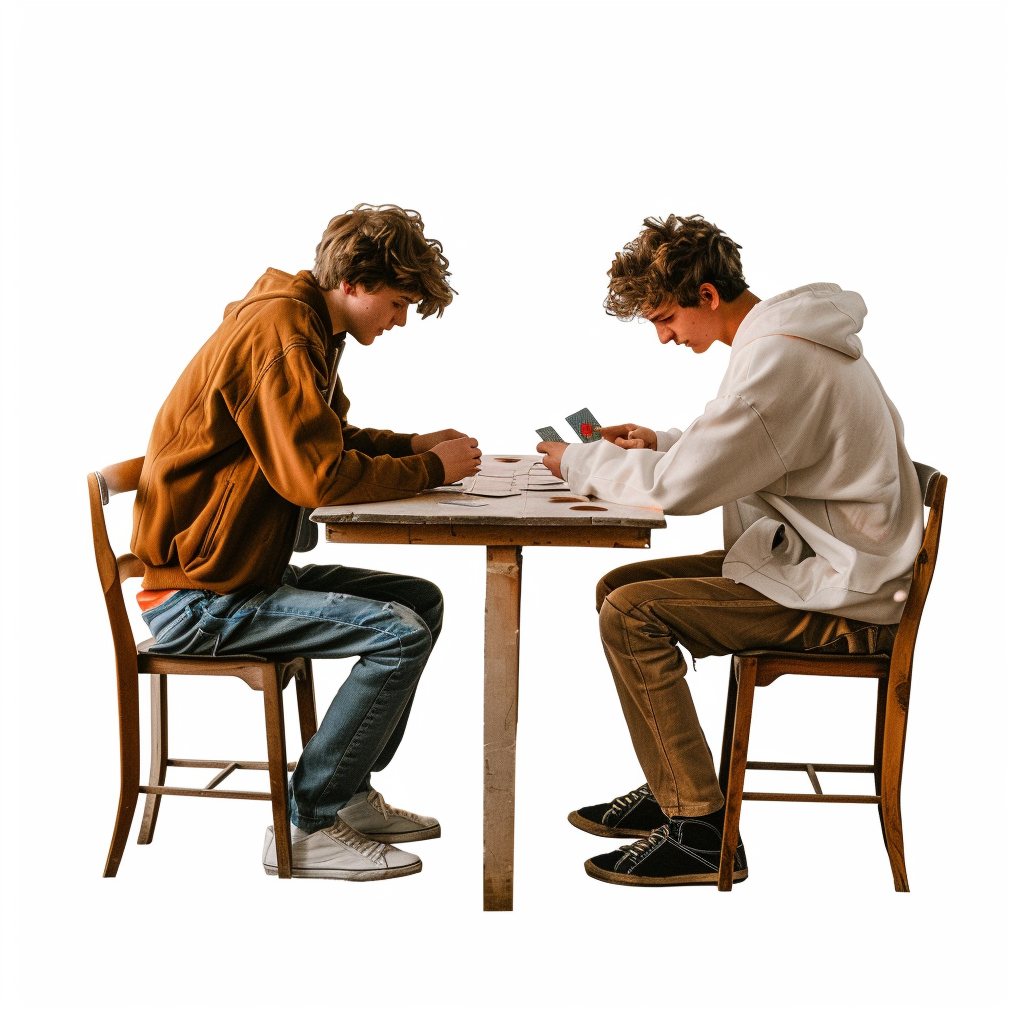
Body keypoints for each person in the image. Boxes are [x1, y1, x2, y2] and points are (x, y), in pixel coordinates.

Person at [537, 214, 923, 887]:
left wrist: (578, 459)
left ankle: (700, 830)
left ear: (707, 296)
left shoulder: (779, 358)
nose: (663, 337)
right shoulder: (789, 339)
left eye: (665, 318)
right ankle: (673, 789)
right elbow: (767, 443)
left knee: (632, 612)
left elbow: (683, 490)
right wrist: (663, 440)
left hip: (847, 593)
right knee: (619, 588)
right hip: (831, 561)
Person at [132, 204, 482, 880]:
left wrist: (412, 446)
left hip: (237, 573)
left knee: (421, 601)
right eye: (398, 300)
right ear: (354, 281)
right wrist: (431, 471)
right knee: (400, 632)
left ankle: (347, 791)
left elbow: (325, 440)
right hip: (200, 597)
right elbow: (315, 477)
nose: (401, 318)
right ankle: (306, 823)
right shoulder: (282, 333)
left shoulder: (306, 326)